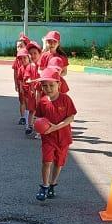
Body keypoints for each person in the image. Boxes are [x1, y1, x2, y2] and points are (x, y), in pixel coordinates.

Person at [31, 66, 77, 201]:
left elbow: (71, 117)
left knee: (58, 163)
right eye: (45, 86)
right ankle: (44, 186)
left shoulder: (66, 99)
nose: (48, 89)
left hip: (63, 138)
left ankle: (52, 184)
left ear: (59, 84)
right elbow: (37, 117)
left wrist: (56, 127)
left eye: (52, 85)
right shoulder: (43, 102)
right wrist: (37, 125)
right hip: (48, 138)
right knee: (47, 161)